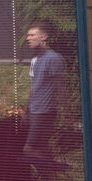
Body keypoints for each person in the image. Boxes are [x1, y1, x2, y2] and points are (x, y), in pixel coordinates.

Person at [23, 23, 64, 161]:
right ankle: (51, 172)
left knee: (29, 149)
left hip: (45, 111)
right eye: (28, 35)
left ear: (44, 37)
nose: (28, 38)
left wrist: (67, 113)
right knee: (41, 147)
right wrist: (26, 109)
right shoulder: (35, 60)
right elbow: (34, 86)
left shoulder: (54, 58)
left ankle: (55, 168)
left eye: (32, 35)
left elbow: (61, 86)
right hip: (34, 110)